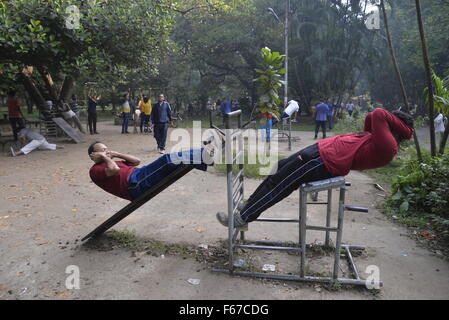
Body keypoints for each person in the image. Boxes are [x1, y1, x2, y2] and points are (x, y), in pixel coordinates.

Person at [216, 108, 415, 227]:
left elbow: (379, 113)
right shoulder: (381, 139)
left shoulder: (388, 146)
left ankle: (243, 218)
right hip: (320, 153)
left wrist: (407, 131)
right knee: (278, 170)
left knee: (281, 185)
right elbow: (373, 116)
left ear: (396, 127)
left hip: (324, 161)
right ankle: (249, 204)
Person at [88, 142, 214, 200]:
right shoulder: (95, 170)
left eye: (106, 149)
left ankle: (206, 157)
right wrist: (105, 157)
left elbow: (137, 161)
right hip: (135, 185)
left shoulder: (113, 160)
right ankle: (205, 154)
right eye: (102, 150)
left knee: (176, 163)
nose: (106, 152)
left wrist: (116, 154)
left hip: (139, 174)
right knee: (167, 160)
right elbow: (114, 170)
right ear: (93, 155)